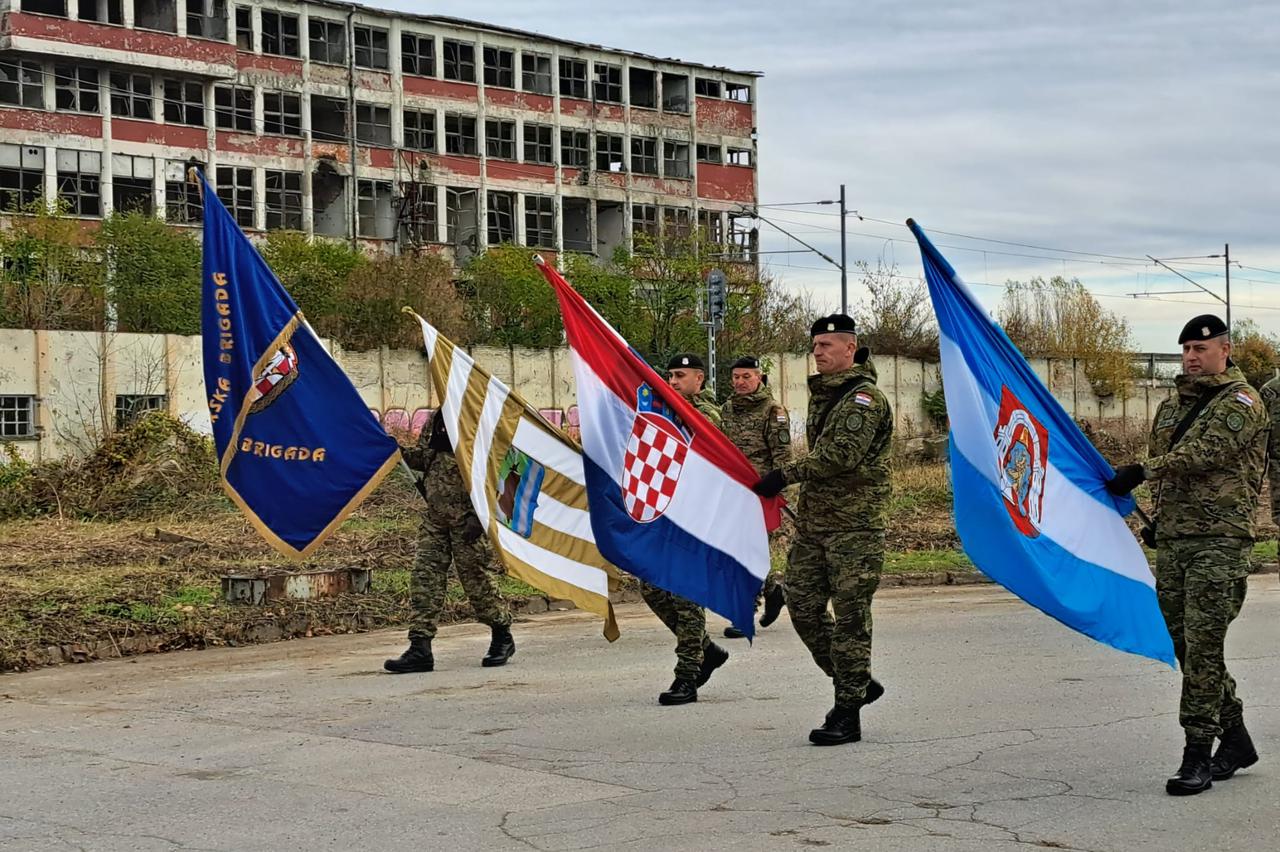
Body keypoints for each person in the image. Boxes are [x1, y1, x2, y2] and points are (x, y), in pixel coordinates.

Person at [1106, 314, 1266, 796]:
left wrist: (1143, 470)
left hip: (1220, 541)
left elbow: (1206, 452)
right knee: (1181, 642)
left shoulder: (1242, 401)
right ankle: (1235, 737)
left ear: (1225, 349)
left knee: (1202, 646)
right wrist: (1160, 522)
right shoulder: (1171, 408)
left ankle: (1197, 753)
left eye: (1202, 349)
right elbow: (1175, 470)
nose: (1192, 358)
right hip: (1178, 540)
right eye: (1186, 351)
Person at [752, 315, 890, 745]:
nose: (818, 352)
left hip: (855, 527)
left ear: (851, 349)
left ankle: (846, 711)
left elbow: (840, 456)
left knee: (850, 619)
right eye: (815, 346)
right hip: (816, 524)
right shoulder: (826, 394)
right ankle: (858, 682)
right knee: (804, 607)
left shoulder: (863, 399)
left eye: (828, 345)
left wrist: (783, 475)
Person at [384, 414, 516, 673]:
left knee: (476, 580)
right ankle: (420, 647)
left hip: (469, 520)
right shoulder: (437, 420)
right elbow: (426, 458)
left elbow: (500, 469)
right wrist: (396, 451)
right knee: (425, 578)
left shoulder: (478, 416)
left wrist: (482, 516)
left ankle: (502, 634)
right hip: (436, 518)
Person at [637, 353, 730, 705]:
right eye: (670, 375)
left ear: (699, 380)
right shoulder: (666, 409)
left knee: (685, 596)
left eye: (680, 376)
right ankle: (706, 650)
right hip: (667, 513)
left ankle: (687, 675)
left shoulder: (705, 414)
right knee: (651, 587)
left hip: (697, 516)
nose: (673, 381)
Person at [720, 355, 791, 638]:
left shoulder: (773, 410)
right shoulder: (726, 408)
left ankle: (743, 615)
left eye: (746, 377)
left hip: (761, 494)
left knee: (747, 553)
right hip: (732, 493)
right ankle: (773, 591)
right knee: (736, 552)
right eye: (736, 377)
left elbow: (783, 458)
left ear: (759, 377)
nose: (740, 382)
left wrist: (778, 492)